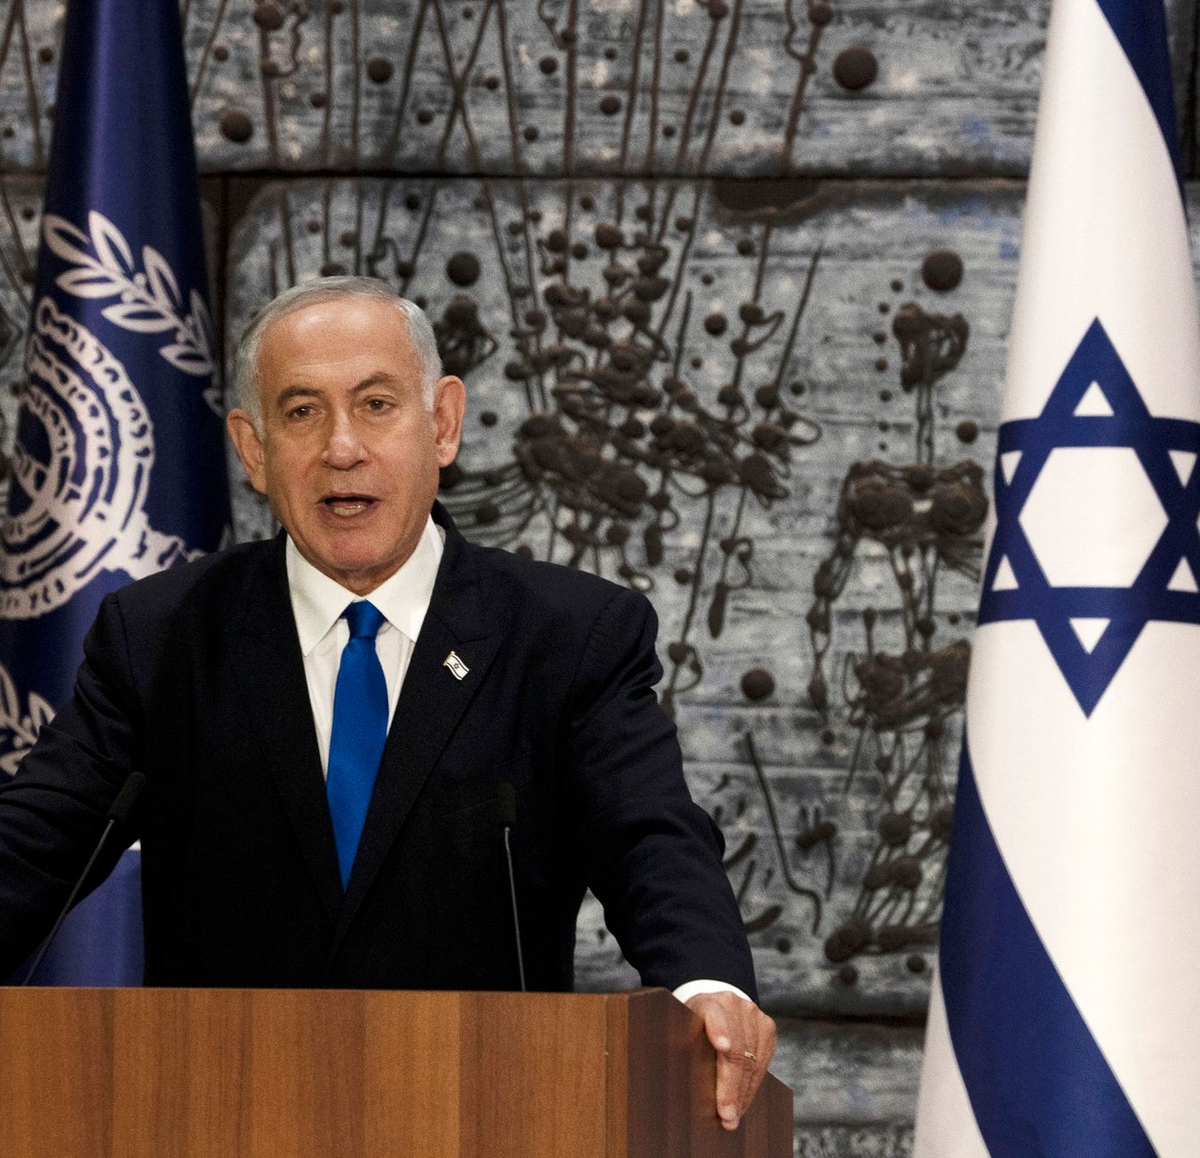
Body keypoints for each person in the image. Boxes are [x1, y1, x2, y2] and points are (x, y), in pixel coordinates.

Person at [0, 277, 776, 1129]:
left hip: (489, 1118)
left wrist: (708, 984)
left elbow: (650, 837)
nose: (342, 446)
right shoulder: (161, 638)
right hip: (216, 1113)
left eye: (375, 404)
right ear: (252, 449)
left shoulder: (569, 637)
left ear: (442, 423)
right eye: (301, 412)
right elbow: (38, 842)